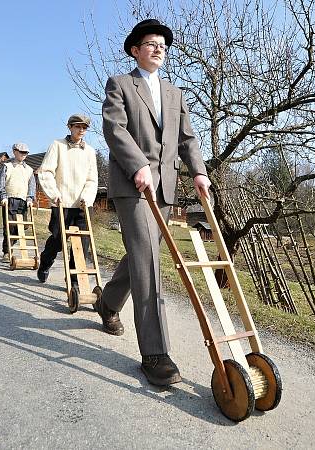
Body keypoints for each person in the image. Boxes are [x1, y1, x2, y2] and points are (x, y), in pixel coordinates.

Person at [97, 19, 211, 386]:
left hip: (164, 189)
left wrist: (199, 172)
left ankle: (108, 303)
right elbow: (114, 129)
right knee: (149, 259)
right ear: (135, 49)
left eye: (163, 44)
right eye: (151, 43)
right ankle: (155, 353)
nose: (159, 48)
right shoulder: (120, 84)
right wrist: (138, 165)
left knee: (138, 256)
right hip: (133, 185)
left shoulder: (175, 94)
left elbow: (187, 139)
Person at [36, 114, 98, 284]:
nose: (81, 130)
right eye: (77, 126)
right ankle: (45, 262)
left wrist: (87, 197)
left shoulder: (90, 151)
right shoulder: (57, 145)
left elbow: (92, 179)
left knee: (81, 245)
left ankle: (74, 280)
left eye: (84, 128)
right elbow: (46, 172)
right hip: (62, 202)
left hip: (83, 206)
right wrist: (54, 194)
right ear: (70, 127)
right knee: (58, 241)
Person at [0, 143, 37, 261]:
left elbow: (32, 186)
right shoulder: (7, 166)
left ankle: (12, 244)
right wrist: (3, 196)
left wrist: (30, 199)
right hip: (9, 200)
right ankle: (7, 251)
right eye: (21, 152)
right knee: (9, 226)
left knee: (21, 227)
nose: (24, 155)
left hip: (23, 201)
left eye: (26, 153)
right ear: (14, 151)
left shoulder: (29, 169)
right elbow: (1, 183)